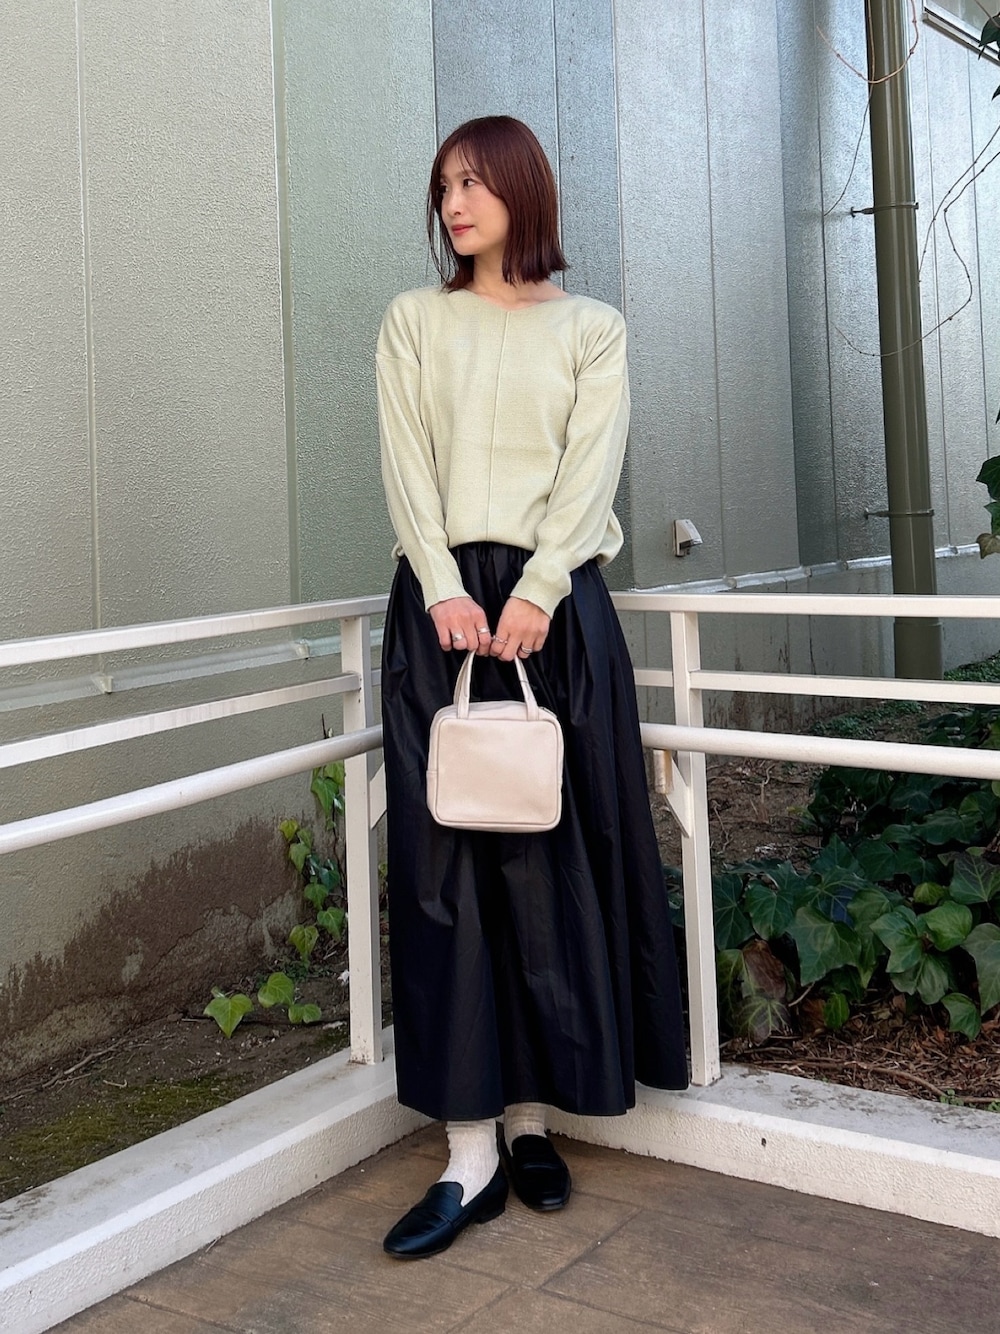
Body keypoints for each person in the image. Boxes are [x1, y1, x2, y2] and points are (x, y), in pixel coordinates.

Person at [376, 116, 687, 1261]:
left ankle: (529, 1119)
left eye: (473, 182)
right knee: (447, 869)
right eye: (442, 187)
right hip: (444, 616)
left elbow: (589, 469)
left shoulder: (591, 328)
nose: (454, 204)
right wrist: (442, 585)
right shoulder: (415, 321)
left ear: (521, 189)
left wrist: (542, 588)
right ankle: (467, 1151)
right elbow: (406, 462)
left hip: (556, 618)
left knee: (554, 863)